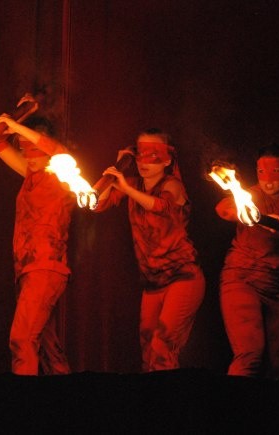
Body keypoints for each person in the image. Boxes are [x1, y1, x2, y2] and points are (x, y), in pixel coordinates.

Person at [93, 128, 205, 372]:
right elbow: (95, 204)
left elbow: (161, 206)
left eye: (153, 155)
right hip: (152, 282)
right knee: (148, 353)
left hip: (183, 278)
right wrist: (117, 169)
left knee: (162, 346)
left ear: (167, 159)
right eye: (140, 154)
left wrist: (126, 187)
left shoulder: (173, 184)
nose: (144, 161)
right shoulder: (131, 183)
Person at [0, 110, 75, 376]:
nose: (29, 155)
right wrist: (8, 122)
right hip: (25, 269)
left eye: (33, 148)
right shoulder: (30, 174)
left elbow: (54, 149)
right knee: (48, 349)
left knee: (22, 339)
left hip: (46, 267)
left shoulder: (63, 170)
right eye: (24, 149)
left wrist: (16, 126)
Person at [216, 144, 279, 378]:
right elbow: (224, 208)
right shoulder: (252, 195)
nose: (268, 181)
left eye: (275, 172)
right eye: (262, 172)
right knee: (249, 354)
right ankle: (235, 413)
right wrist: (245, 213)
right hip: (242, 278)